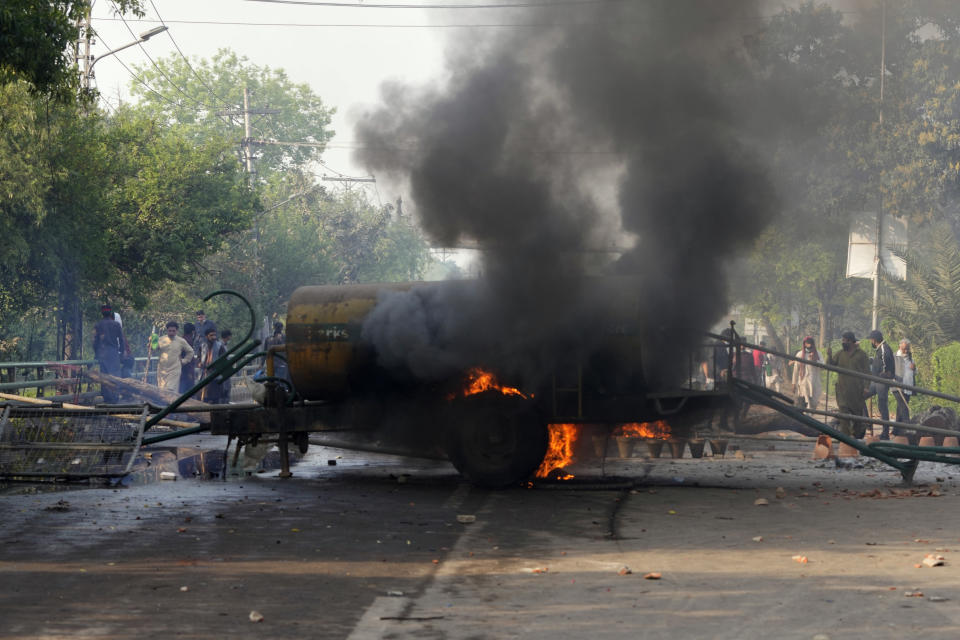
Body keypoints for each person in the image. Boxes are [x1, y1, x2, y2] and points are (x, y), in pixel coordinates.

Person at [827, 331, 870, 439]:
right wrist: (829, 355)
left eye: (845, 341)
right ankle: (845, 439)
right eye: (842, 340)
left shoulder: (861, 355)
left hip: (856, 391)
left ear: (851, 341)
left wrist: (866, 387)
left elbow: (867, 372)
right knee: (843, 415)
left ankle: (856, 438)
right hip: (842, 390)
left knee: (857, 416)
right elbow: (830, 366)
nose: (843, 343)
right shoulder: (840, 354)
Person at [92, 304, 127, 403]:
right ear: (110, 312)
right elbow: (121, 340)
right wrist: (121, 354)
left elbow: (94, 342)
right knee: (114, 376)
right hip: (114, 354)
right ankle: (115, 398)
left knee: (105, 377)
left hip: (103, 354)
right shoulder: (116, 325)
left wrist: (96, 354)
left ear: (102, 313)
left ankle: (107, 399)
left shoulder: (98, 325)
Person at [865, 329, 896, 439]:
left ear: (874, 340)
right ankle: (867, 424)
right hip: (876, 381)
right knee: (860, 397)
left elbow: (885, 363)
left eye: (871, 340)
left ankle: (885, 433)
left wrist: (884, 373)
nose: (870, 342)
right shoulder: (880, 349)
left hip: (881, 382)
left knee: (882, 406)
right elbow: (880, 361)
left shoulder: (884, 348)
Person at [155, 321, 195, 393]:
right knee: (161, 391)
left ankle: (172, 404)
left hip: (174, 370)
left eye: (173, 331)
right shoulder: (161, 339)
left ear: (177, 331)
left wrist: (184, 361)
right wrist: (151, 344)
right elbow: (153, 349)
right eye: (170, 331)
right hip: (162, 370)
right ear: (167, 330)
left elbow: (191, 352)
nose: (171, 333)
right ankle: (163, 404)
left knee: (171, 390)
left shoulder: (181, 341)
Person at [197, 324, 227, 403]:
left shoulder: (220, 346)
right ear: (207, 336)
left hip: (215, 374)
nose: (213, 337)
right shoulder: (202, 346)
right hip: (204, 373)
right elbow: (199, 357)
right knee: (204, 396)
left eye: (214, 335)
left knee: (215, 396)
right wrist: (199, 363)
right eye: (211, 335)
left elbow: (224, 359)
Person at [792, 336, 823, 410]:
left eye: (810, 343)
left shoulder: (818, 354)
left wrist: (815, 360)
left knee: (814, 403)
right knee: (806, 403)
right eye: (807, 343)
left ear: (813, 344)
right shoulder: (799, 354)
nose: (809, 345)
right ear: (804, 344)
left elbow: (823, 366)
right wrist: (793, 383)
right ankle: (806, 418)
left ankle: (810, 416)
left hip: (815, 381)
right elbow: (796, 370)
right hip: (804, 381)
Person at [893, 338, 917, 433]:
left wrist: (914, 368)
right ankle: (908, 428)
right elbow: (890, 369)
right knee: (904, 407)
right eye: (904, 349)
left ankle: (896, 430)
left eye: (907, 349)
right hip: (897, 386)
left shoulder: (910, 357)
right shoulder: (894, 356)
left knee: (900, 408)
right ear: (900, 347)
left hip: (908, 386)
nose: (906, 351)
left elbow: (914, 372)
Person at [179, 322, 197, 394]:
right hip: (187, 370)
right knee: (187, 391)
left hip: (181, 368)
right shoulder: (189, 340)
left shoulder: (181, 339)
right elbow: (189, 356)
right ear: (193, 331)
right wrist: (189, 371)